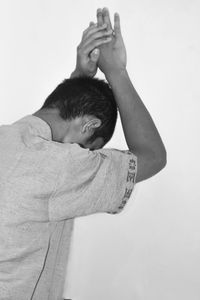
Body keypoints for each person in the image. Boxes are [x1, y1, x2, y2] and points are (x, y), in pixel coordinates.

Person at [0, 7, 166, 300]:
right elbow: (152, 155)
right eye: (91, 149)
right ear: (90, 125)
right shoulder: (61, 165)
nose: (83, 156)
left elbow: (47, 132)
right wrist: (116, 71)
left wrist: (80, 78)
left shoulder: (7, 136)